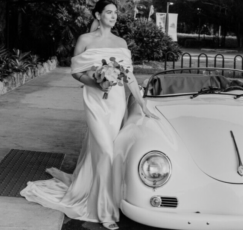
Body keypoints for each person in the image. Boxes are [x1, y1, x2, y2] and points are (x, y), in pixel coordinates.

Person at [20, 1, 159, 229]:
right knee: (105, 150)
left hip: (116, 104)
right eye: (109, 12)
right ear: (98, 14)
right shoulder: (85, 40)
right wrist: (95, 82)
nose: (113, 16)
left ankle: (106, 195)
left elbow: (130, 77)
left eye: (115, 13)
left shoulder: (120, 42)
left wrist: (141, 103)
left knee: (110, 151)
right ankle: (105, 211)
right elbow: (76, 72)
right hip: (94, 102)